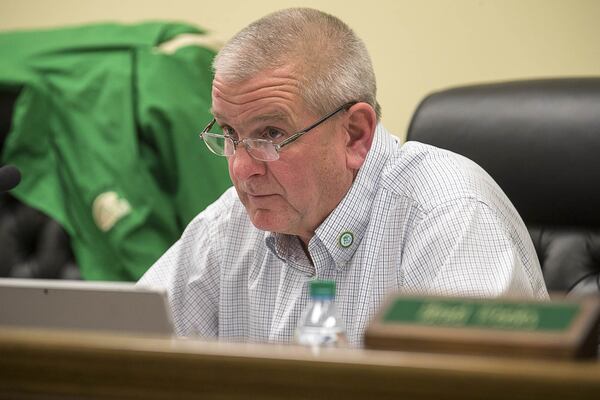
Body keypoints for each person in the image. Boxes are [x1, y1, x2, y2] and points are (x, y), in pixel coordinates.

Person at [138, 7, 548, 346]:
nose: (242, 170)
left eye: (271, 134)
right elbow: (121, 349)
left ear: (355, 134)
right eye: (230, 134)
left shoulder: (451, 218)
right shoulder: (230, 225)